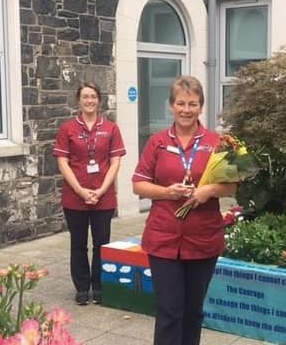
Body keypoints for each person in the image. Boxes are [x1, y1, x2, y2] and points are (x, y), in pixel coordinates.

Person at [132, 75, 236, 345]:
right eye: (180, 103)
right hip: (164, 237)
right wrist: (168, 192)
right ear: (171, 106)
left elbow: (231, 186)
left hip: (203, 238)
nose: (186, 110)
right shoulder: (157, 142)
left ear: (201, 106)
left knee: (193, 311)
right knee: (169, 311)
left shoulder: (217, 143)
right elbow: (138, 185)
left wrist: (207, 191)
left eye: (192, 104)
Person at [54, 82, 126, 305]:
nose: (89, 101)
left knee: (101, 243)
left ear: (99, 100)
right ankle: (82, 288)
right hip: (75, 198)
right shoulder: (68, 129)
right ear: (79, 100)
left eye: (93, 96)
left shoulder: (111, 128)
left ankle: (99, 286)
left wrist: (101, 190)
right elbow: (63, 163)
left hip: (104, 198)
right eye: (85, 97)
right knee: (78, 244)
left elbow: (115, 163)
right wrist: (81, 191)